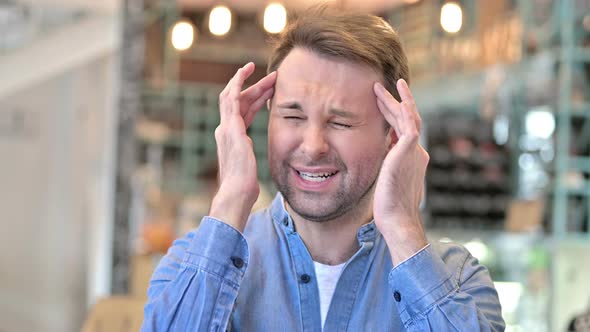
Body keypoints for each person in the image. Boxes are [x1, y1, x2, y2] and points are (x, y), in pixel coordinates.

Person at [141, 6, 504, 332]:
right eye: (292, 116)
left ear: (393, 135)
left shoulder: (457, 280)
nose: (313, 145)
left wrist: (402, 229)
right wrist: (230, 198)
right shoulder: (195, 264)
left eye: (341, 123)